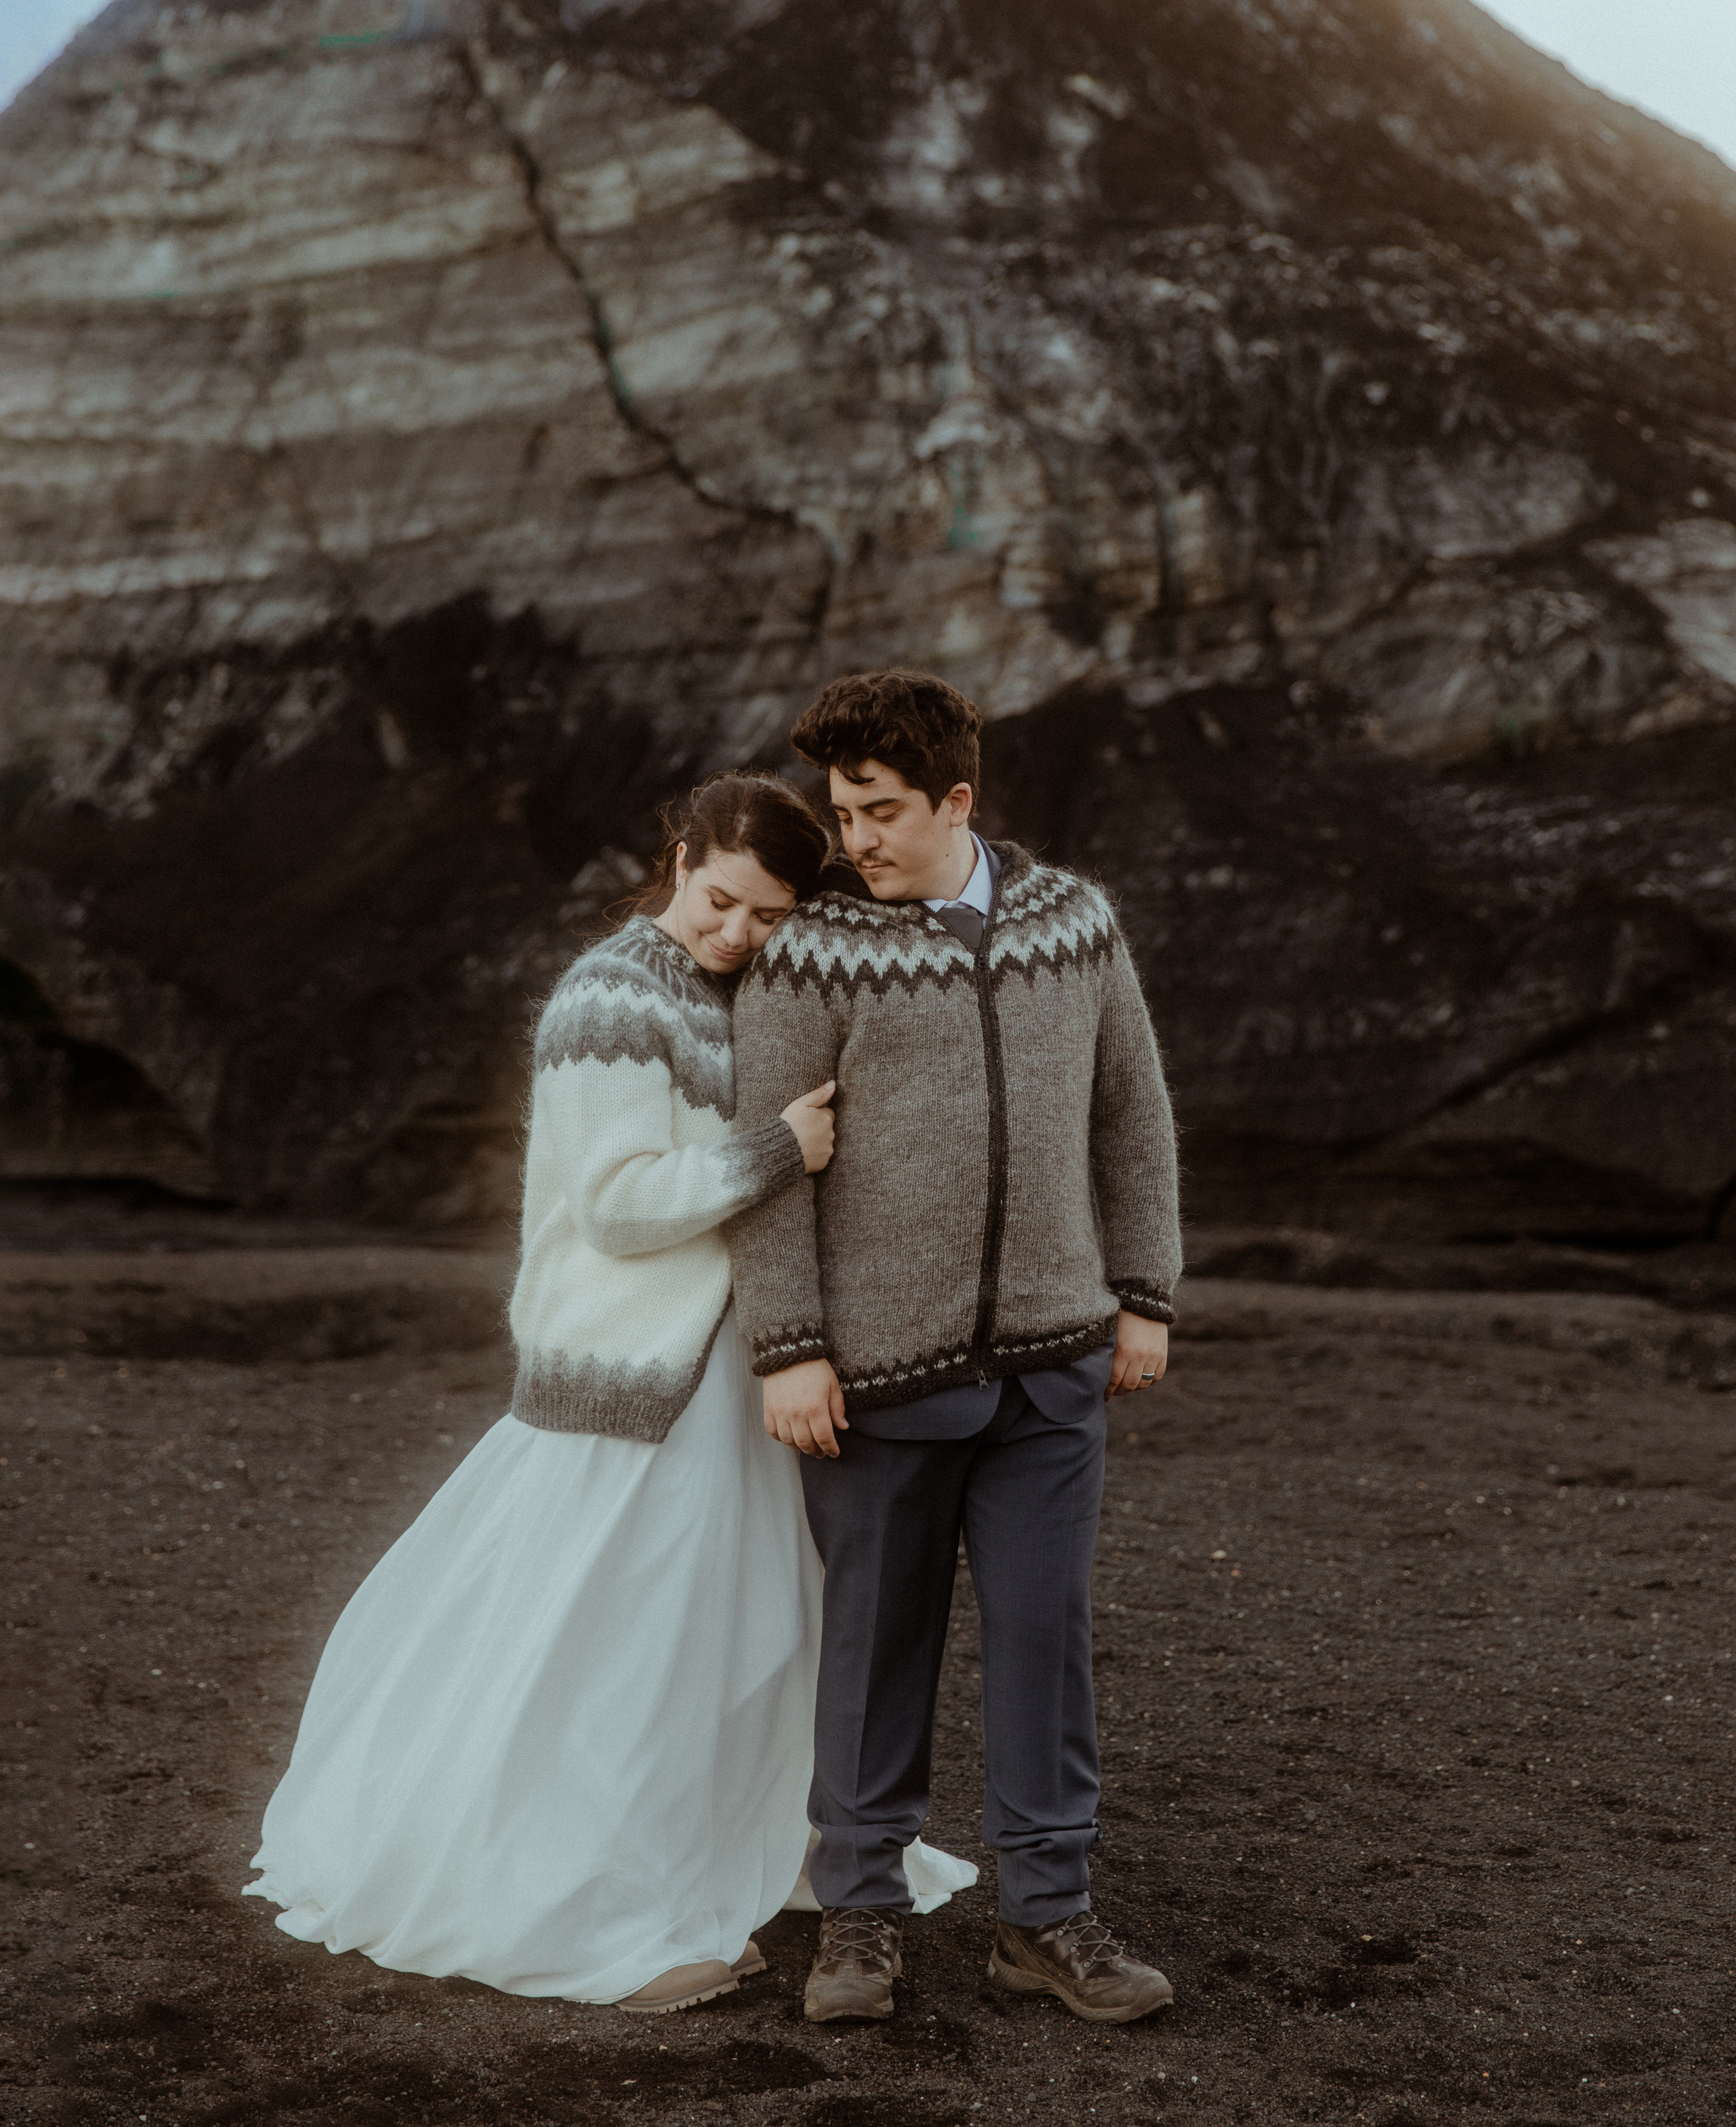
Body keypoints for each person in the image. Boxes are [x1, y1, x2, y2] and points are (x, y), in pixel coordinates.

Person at [245, 769, 974, 2014]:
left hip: (723, 1374)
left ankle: (731, 1848)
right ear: (681, 859)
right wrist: (774, 1149)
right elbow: (618, 1205)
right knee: (622, 1650)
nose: (737, 931)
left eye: (768, 916)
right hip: (632, 1380)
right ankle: (586, 1897)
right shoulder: (609, 998)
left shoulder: (731, 988)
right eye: (722, 897)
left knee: (737, 1642)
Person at [728, 672, 1182, 2027]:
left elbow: (1129, 1117)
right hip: (876, 1376)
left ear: (956, 803)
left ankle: (1045, 1920)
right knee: (875, 1646)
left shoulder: (1075, 924)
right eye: (838, 810)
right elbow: (768, 1164)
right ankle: (858, 1915)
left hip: (1052, 1362)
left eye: (878, 812)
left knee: (1045, 1640)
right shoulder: (810, 951)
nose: (851, 839)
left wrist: (1142, 1294)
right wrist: (790, 1347)